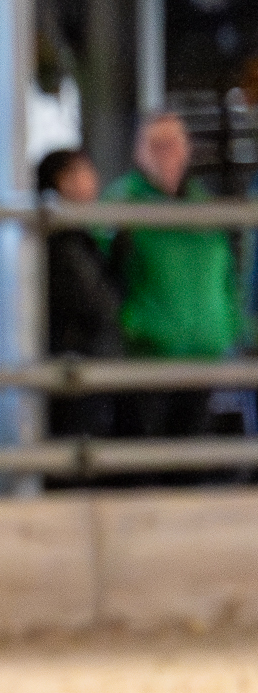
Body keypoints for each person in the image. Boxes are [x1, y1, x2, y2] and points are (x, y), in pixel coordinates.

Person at [101, 110, 244, 445]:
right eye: (157, 144)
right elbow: (98, 275)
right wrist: (129, 324)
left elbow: (226, 273)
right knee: (147, 456)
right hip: (147, 358)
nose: (168, 152)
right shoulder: (120, 205)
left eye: (175, 143)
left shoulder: (204, 206)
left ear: (187, 149)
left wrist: (229, 325)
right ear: (139, 152)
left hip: (203, 356)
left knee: (190, 457)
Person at [36, 148, 122, 441]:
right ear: (63, 181)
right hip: (78, 361)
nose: (93, 179)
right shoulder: (66, 241)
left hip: (81, 360)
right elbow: (97, 303)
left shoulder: (76, 236)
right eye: (83, 171)